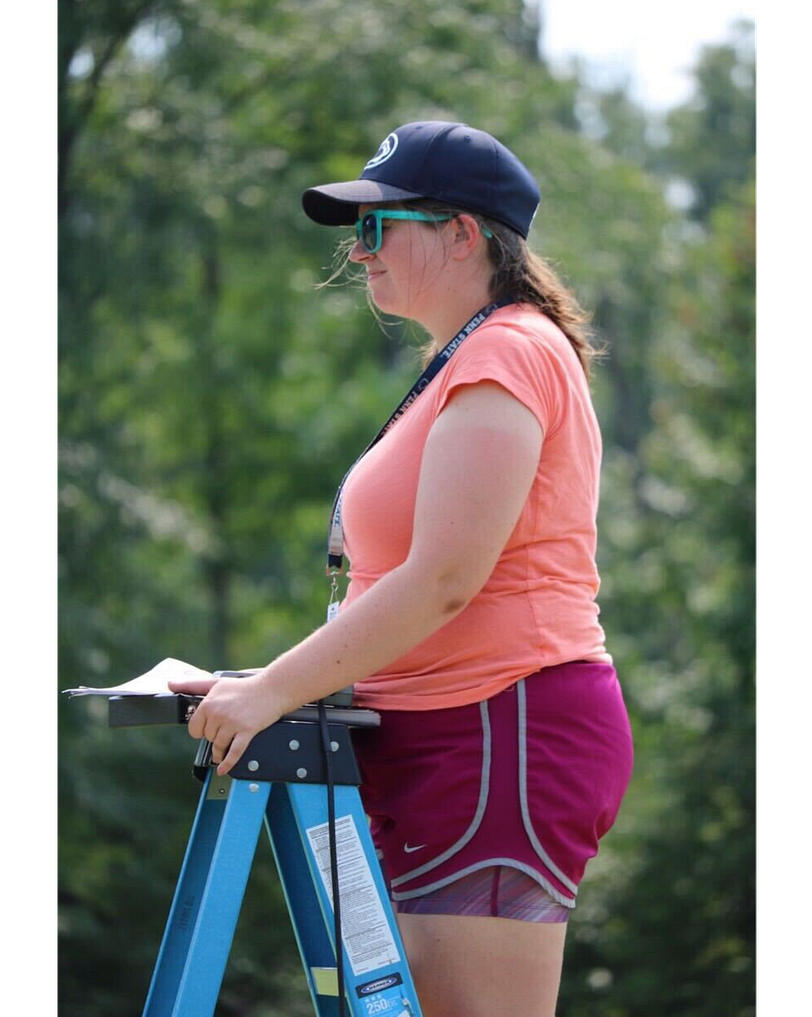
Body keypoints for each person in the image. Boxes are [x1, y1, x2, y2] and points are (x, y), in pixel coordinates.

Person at [168, 121, 634, 1017]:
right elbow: (403, 588)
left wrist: (270, 693)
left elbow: (445, 582)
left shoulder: (507, 352)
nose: (358, 251)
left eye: (378, 226)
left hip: (497, 729)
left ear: (461, 233)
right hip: (445, 736)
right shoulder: (470, 355)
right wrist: (265, 681)